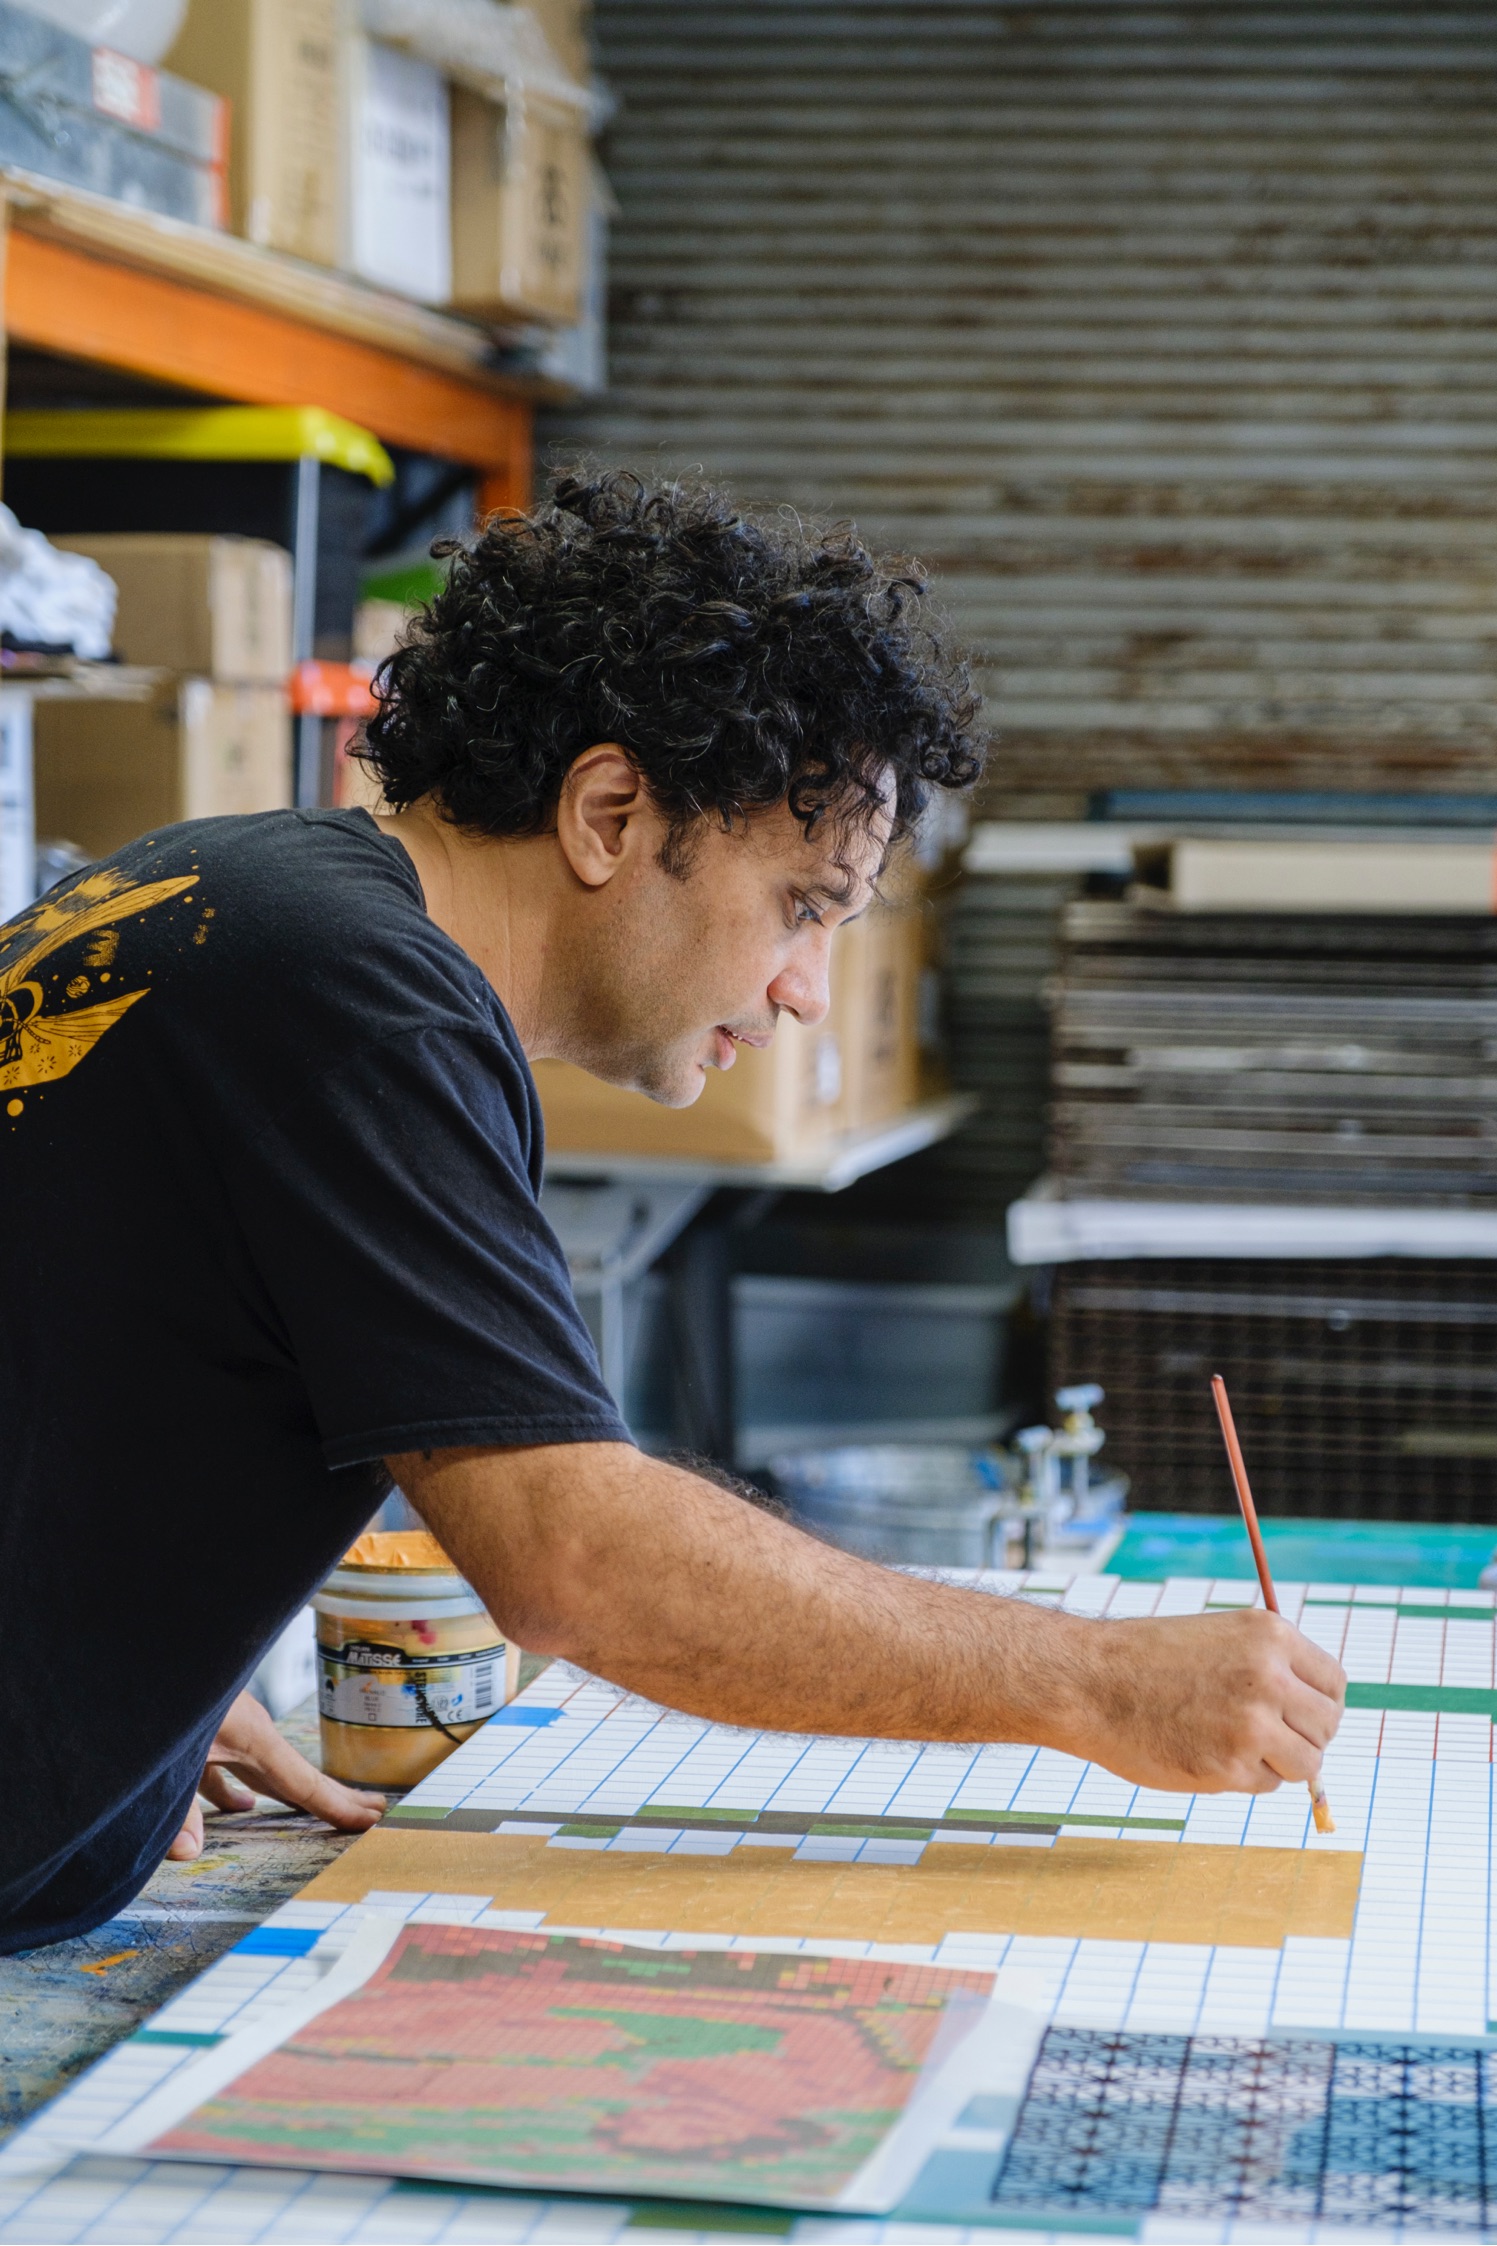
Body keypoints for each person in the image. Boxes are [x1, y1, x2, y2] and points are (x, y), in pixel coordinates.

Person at [0, 472, 1345, 1952]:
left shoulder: (225, 888)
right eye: (802, 904)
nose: (806, 990)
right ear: (609, 810)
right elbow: (578, 1561)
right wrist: (1095, 1684)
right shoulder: (361, 1002)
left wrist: (138, 1695)